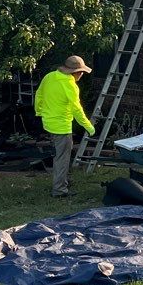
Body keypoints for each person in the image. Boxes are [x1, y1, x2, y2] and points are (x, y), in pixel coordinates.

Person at [34, 56, 95, 197]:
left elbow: (39, 94)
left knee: (58, 155)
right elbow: (77, 109)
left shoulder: (49, 77)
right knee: (62, 158)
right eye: (81, 72)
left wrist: (39, 112)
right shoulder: (70, 85)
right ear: (75, 72)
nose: (81, 75)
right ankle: (60, 190)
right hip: (62, 127)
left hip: (48, 123)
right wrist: (89, 127)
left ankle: (62, 181)